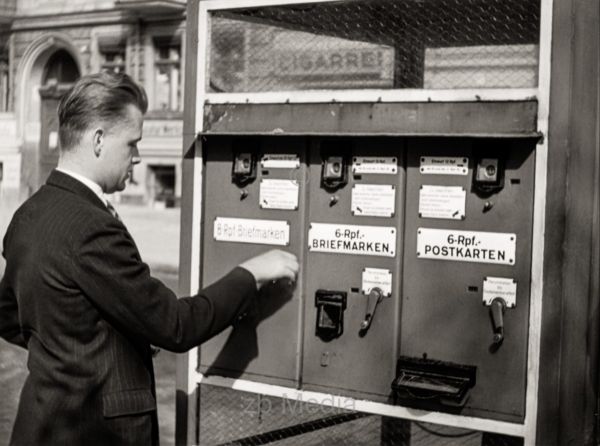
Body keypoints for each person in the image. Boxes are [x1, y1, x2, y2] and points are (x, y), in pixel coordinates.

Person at [0, 71, 299, 445]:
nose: (138, 157)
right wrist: (250, 273)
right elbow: (175, 325)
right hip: (95, 432)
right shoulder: (92, 227)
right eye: (132, 143)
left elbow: (12, 318)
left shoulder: (27, 216)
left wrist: (74, 349)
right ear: (98, 140)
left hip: (39, 424)